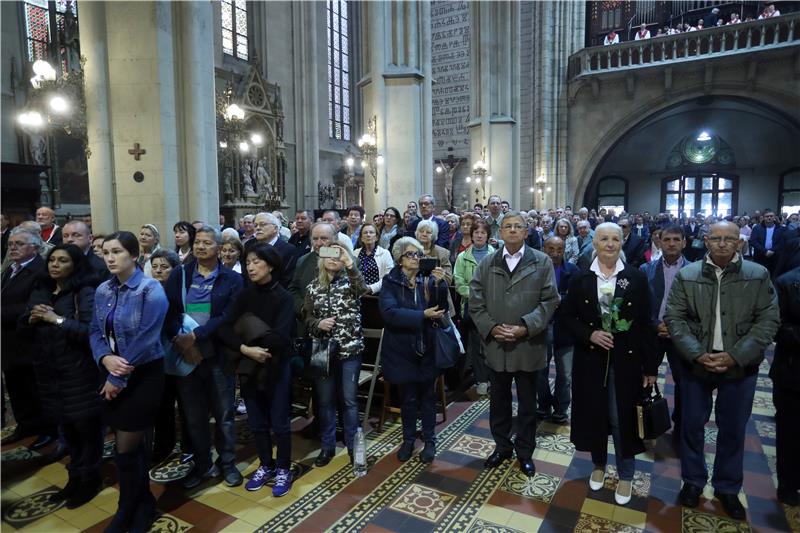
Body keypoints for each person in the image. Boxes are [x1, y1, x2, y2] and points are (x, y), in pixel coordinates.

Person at [665, 221, 779, 520]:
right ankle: (692, 481)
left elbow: (768, 320)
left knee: (732, 429)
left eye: (730, 239)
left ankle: (727, 487)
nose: (723, 244)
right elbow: (674, 318)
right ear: (705, 241)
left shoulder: (757, 274)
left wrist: (735, 355)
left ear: (740, 242)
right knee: (691, 426)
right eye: (716, 238)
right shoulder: (688, 275)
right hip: (697, 363)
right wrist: (697, 353)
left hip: (739, 366)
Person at [561, 222, 659, 505]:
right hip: (590, 360)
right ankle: (599, 465)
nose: (609, 244)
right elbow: (567, 318)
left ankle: (626, 474)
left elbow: (645, 324)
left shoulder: (635, 278)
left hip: (625, 361)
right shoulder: (581, 279)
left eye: (615, 239)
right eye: (603, 238)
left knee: (621, 417)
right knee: (595, 414)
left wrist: (651, 368)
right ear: (595, 243)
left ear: (621, 243)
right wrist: (589, 333)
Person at [470, 211, 560, 478]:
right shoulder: (488, 263)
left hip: (527, 345)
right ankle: (502, 447)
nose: (511, 230)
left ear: (526, 231)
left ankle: (525, 452)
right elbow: (475, 301)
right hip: (497, 344)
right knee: (498, 402)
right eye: (507, 226)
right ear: (500, 232)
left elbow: (550, 301)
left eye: (517, 226)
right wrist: (492, 327)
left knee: (527, 404)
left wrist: (524, 327)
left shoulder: (541, 262)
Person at [89, 231, 168, 532]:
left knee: (125, 449)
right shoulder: (103, 291)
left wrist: (115, 376)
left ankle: (128, 508)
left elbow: (147, 339)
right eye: (106, 252)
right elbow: (95, 331)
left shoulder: (150, 290)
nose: (110, 257)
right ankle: (142, 503)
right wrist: (104, 358)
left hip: (142, 375)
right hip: (113, 370)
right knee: (129, 449)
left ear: (134, 255)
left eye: (117, 252)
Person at [19, 244, 103, 508]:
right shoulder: (41, 290)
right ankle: (74, 476)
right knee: (67, 430)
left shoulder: (84, 292)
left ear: (75, 265)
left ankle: (90, 479)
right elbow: (23, 326)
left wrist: (55, 319)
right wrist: (31, 320)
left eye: (62, 261)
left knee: (86, 430)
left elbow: (91, 332)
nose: (55, 265)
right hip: (49, 375)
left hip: (79, 373)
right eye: (52, 260)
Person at [163, 226, 244, 489]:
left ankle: (228, 462)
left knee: (224, 415)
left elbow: (228, 316)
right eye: (198, 242)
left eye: (207, 243)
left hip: (218, 354)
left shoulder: (231, 279)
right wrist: (183, 342)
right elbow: (169, 311)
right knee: (194, 416)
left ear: (219, 248)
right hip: (185, 355)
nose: (200, 247)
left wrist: (196, 336)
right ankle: (201, 463)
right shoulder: (180, 274)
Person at [217, 244, 295, 496]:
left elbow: (281, 337)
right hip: (249, 365)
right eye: (248, 262)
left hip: (277, 367)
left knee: (280, 423)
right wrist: (246, 349)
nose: (250, 267)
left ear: (270, 265)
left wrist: (247, 330)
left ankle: (284, 468)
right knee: (257, 422)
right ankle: (266, 465)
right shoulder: (245, 295)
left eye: (256, 262)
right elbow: (224, 328)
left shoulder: (283, 297)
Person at [379, 237, 449, 463]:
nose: (416, 259)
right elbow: (389, 313)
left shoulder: (426, 280)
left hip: (427, 347)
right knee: (408, 399)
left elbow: (441, 309)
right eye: (411, 255)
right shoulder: (390, 282)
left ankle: (430, 441)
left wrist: (441, 284)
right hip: (402, 349)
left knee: (428, 398)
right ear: (400, 259)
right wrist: (421, 315)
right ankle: (408, 440)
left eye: (418, 255)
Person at [304, 243, 367, 466]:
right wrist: (317, 323)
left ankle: (352, 447)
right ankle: (327, 446)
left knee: (349, 401)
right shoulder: (313, 287)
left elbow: (363, 290)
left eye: (337, 255)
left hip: (349, 350)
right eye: (329, 254)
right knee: (325, 401)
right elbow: (307, 317)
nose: (333, 259)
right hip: (323, 351)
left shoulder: (351, 282)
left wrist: (349, 262)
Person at [1, 227, 51, 447]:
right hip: (9, 341)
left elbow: (32, 306)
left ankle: (48, 430)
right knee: (16, 387)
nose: (12, 247)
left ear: (35, 247)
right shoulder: (10, 269)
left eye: (19, 244)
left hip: (29, 341)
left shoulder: (41, 271)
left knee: (36, 389)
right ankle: (25, 424)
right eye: (10, 243)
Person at [640, 225, 688, 448]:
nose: (671, 243)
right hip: (652, 332)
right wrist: (655, 324)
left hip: (681, 335)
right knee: (644, 379)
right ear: (659, 242)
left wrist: (676, 327)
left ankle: (680, 429)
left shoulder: (694, 271)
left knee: (684, 383)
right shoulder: (646, 269)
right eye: (666, 239)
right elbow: (640, 306)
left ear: (684, 242)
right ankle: (643, 426)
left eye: (676, 239)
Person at [535, 237, 579, 424]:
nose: (554, 253)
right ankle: (544, 404)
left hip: (565, 327)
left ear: (564, 251)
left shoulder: (573, 271)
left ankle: (561, 408)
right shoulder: (536, 269)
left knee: (565, 373)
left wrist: (560, 299)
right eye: (550, 249)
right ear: (544, 249)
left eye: (559, 249)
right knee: (539, 371)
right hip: (542, 327)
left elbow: (578, 299)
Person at [453, 219, 495, 396]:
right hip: (471, 306)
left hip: (492, 306)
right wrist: (475, 295)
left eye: (483, 233)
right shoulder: (463, 257)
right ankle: (481, 379)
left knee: (491, 344)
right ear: (471, 235)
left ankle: (494, 376)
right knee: (476, 344)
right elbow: (459, 281)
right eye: (476, 232)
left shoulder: (495, 256)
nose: (479, 235)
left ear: (487, 236)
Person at [772, 266, 800, 506]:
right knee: (791, 432)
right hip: (793, 371)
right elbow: (775, 327)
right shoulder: (787, 282)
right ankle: (789, 484)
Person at [354, 223, 393, 295]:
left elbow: (388, 277)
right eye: (365, 233)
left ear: (377, 237)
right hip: (357, 293)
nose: (368, 235)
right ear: (361, 238)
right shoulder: (355, 253)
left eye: (371, 232)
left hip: (377, 294)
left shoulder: (385, 253)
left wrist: (370, 288)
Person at [416, 219, 453, 284]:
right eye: (421, 231)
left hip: (436, 290)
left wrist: (441, 276)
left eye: (428, 232)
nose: (424, 234)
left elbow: (448, 279)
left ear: (433, 235)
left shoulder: (443, 253)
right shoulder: (410, 252)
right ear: (417, 233)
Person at [750, 209, 784, 276]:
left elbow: (782, 242)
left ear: (774, 217)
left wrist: (772, 250)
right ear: (763, 217)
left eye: (771, 216)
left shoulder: (781, 229)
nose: (769, 218)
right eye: (767, 216)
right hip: (760, 255)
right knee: (759, 275)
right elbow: (753, 241)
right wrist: (765, 251)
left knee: (773, 275)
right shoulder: (757, 228)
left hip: (775, 256)